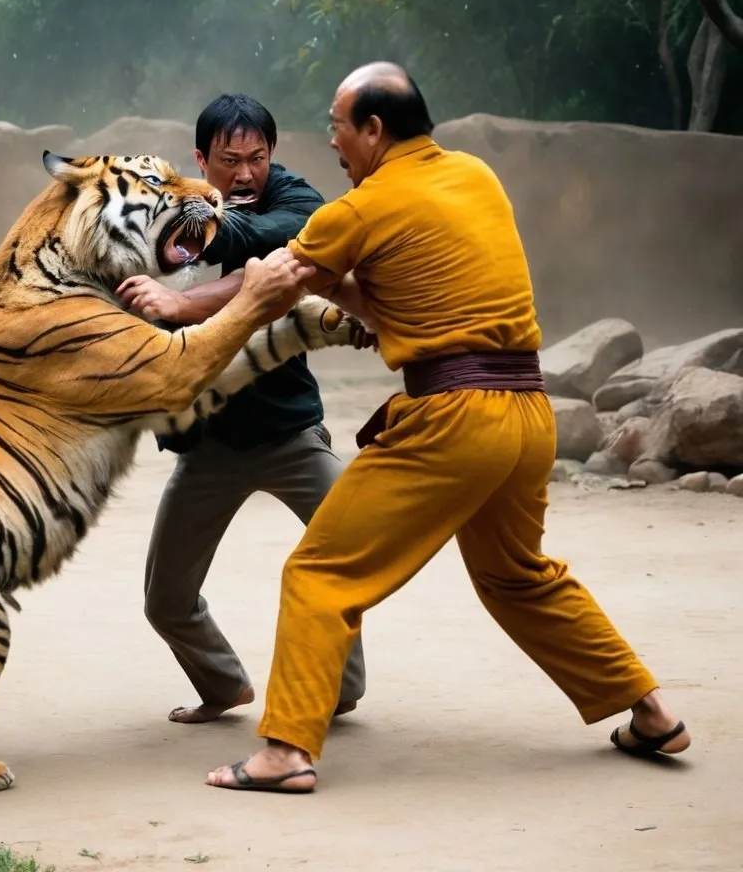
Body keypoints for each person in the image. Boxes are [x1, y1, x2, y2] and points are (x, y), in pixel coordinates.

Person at [204, 62, 691, 793]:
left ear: (373, 128)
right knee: (517, 575)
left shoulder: (360, 208)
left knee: (320, 572)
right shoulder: (474, 176)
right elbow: (410, 303)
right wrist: (340, 285)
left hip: (453, 420)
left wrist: (176, 319)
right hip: (527, 418)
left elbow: (270, 286)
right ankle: (652, 712)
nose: (331, 140)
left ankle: (285, 753)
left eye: (338, 125)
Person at [116, 92, 367, 725]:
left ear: (272, 154)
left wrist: (191, 255)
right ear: (201, 157)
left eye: (257, 157)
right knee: (165, 600)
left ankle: (341, 689)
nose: (247, 173)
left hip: (291, 434)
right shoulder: (168, 210)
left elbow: (277, 243)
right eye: (230, 161)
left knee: (350, 551)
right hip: (210, 446)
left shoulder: (298, 201)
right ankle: (222, 685)